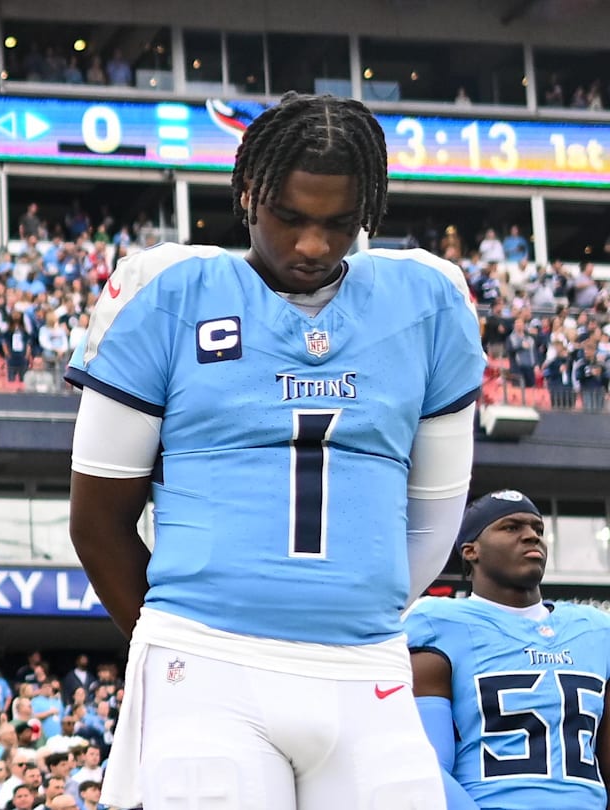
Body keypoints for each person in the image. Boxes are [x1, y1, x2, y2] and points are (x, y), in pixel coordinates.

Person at [65, 93, 485, 809]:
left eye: (338, 224)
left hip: (368, 666)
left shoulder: (430, 302)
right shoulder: (165, 289)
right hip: (208, 661)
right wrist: (187, 636)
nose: (314, 245)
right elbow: (98, 521)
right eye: (291, 218)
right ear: (248, 192)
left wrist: (350, 609)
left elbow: (433, 523)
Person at [407, 491, 610, 809]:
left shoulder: (596, 630)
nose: (531, 536)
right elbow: (427, 766)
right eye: (512, 527)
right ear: (471, 550)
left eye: (538, 529)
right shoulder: (439, 624)